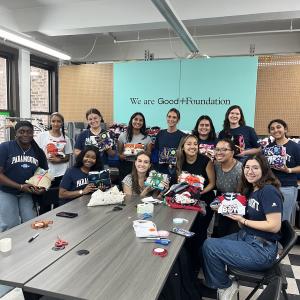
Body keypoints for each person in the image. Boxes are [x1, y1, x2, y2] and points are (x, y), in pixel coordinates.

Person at [202, 153, 282, 300]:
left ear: (264, 170)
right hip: (247, 237)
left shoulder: (269, 190)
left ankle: (225, 286)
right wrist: (225, 209)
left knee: (210, 246)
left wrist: (243, 221)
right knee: (209, 245)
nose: (250, 171)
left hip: (261, 250)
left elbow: (274, 226)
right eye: (247, 167)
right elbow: (242, 218)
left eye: (255, 168)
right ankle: (224, 283)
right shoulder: (253, 189)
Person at [176, 134, 215, 274]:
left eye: (195, 143)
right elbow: (179, 183)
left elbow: (212, 183)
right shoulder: (179, 161)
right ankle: (188, 263)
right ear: (183, 147)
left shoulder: (206, 160)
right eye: (189, 144)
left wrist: (200, 193)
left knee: (199, 232)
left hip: (204, 200)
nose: (192, 146)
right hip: (186, 201)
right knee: (186, 230)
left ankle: (199, 264)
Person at [0, 121, 48, 232]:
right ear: (16, 133)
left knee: (30, 222)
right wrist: (20, 186)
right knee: (10, 224)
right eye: (21, 132)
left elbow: (43, 173)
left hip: (27, 193)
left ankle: (29, 247)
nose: (25, 134)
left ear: (33, 134)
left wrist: (41, 187)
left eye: (29, 132)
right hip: (7, 192)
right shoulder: (5, 147)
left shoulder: (38, 152)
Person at [35, 112, 72, 213]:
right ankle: (44, 222)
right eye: (53, 121)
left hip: (61, 174)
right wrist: (44, 158)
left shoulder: (66, 138)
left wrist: (59, 160)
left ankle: (57, 224)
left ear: (62, 123)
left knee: (58, 201)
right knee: (44, 202)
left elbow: (68, 156)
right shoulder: (42, 136)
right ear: (50, 122)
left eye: (58, 121)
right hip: (45, 173)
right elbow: (35, 152)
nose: (56, 124)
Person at [266, 119, 300, 221]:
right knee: (270, 218)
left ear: (285, 129)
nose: (275, 130)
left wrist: (288, 170)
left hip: (288, 187)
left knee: (283, 219)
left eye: (278, 127)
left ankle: (283, 237)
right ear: (270, 132)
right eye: (272, 129)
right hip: (270, 187)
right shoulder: (268, 148)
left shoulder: (295, 147)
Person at [213, 138, 243, 237]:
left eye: (224, 150)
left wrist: (222, 207)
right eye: (217, 149)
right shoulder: (216, 165)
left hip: (237, 212)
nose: (219, 152)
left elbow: (241, 197)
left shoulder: (240, 170)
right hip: (222, 208)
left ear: (232, 152)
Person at [154, 108, 185, 183]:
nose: (171, 119)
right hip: (161, 171)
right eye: (169, 116)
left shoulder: (183, 136)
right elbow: (156, 151)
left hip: (175, 172)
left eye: (174, 117)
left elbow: (184, 155)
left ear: (178, 120)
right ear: (166, 117)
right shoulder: (160, 134)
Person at [118, 112, 152, 182]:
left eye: (140, 120)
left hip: (140, 166)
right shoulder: (123, 136)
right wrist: (122, 156)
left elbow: (149, 154)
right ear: (131, 121)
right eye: (135, 119)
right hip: (126, 166)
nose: (138, 122)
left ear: (143, 123)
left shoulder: (147, 138)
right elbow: (119, 154)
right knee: (124, 188)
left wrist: (141, 153)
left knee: (138, 188)